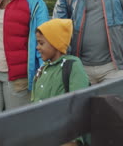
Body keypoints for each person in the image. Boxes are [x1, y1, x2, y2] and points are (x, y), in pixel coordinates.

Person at [31, 18, 89, 146]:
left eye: (41, 43)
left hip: (64, 137)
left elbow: (79, 105)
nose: (37, 47)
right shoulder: (41, 70)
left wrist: (74, 140)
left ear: (55, 43)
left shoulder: (73, 65)